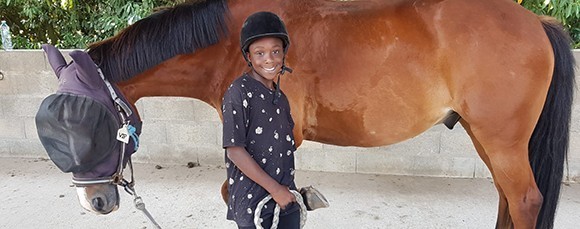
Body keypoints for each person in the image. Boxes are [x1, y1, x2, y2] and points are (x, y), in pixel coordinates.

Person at [221, 11, 300, 229]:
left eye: (276, 51)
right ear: (248, 56)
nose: (269, 59)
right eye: (260, 53)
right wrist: (275, 190)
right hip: (253, 202)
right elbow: (235, 151)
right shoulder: (238, 92)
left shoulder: (280, 97)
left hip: (285, 195)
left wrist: (286, 190)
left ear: (284, 53)